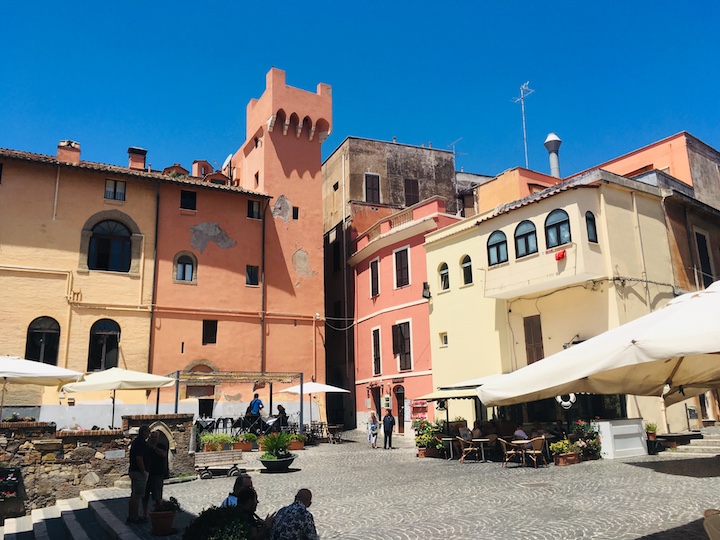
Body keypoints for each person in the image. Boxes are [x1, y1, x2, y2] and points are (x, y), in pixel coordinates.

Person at [127, 425, 151, 524]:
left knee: (134, 495)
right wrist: (143, 471)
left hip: (134, 470)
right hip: (138, 472)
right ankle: (135, 517)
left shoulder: (136, 441)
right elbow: (139, 458)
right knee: (137, 495)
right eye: (148, 432)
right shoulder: (141, 443)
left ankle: (131, 515)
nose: (149, 434)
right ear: (144, 432)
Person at [142, 431, 168, 518]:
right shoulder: (146, 446)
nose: (153, 439)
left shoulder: (161, 446)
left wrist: (154, 448)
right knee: (145, 496)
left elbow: (163, 454)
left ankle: (158, 513)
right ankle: (145, 513)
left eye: (155, 437)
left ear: (158, 438)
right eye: (152, 437)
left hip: (157, 474)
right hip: (147, 473)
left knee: (157, 496)